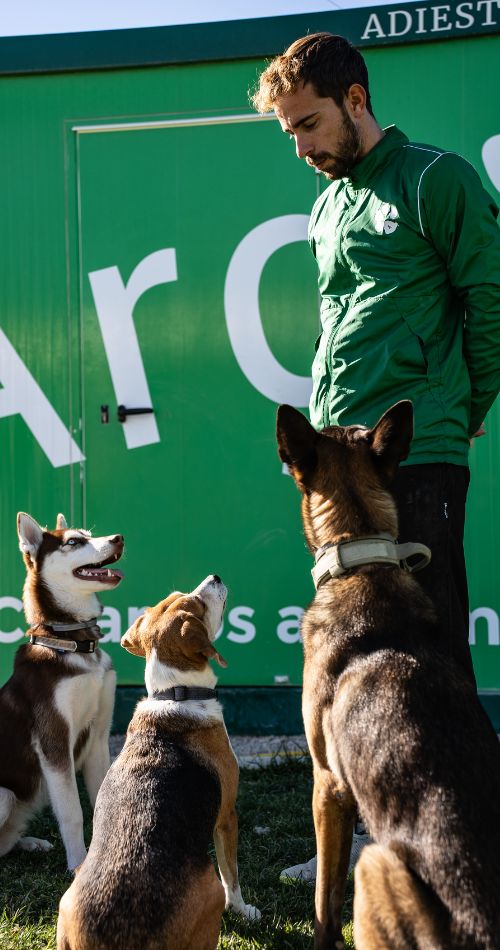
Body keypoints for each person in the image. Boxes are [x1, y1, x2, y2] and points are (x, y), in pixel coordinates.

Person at [251, 31, 500, 882]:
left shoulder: (438, 177)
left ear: (356, 100)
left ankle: (466, 849)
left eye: (309, 123)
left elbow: (490, 298)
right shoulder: (327, 204)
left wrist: (467, 409)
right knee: (351, 671)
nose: (300, 144)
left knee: (429, 670)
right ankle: (365, 839)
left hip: (414, 453)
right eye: (287, 131)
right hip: (335, 471)